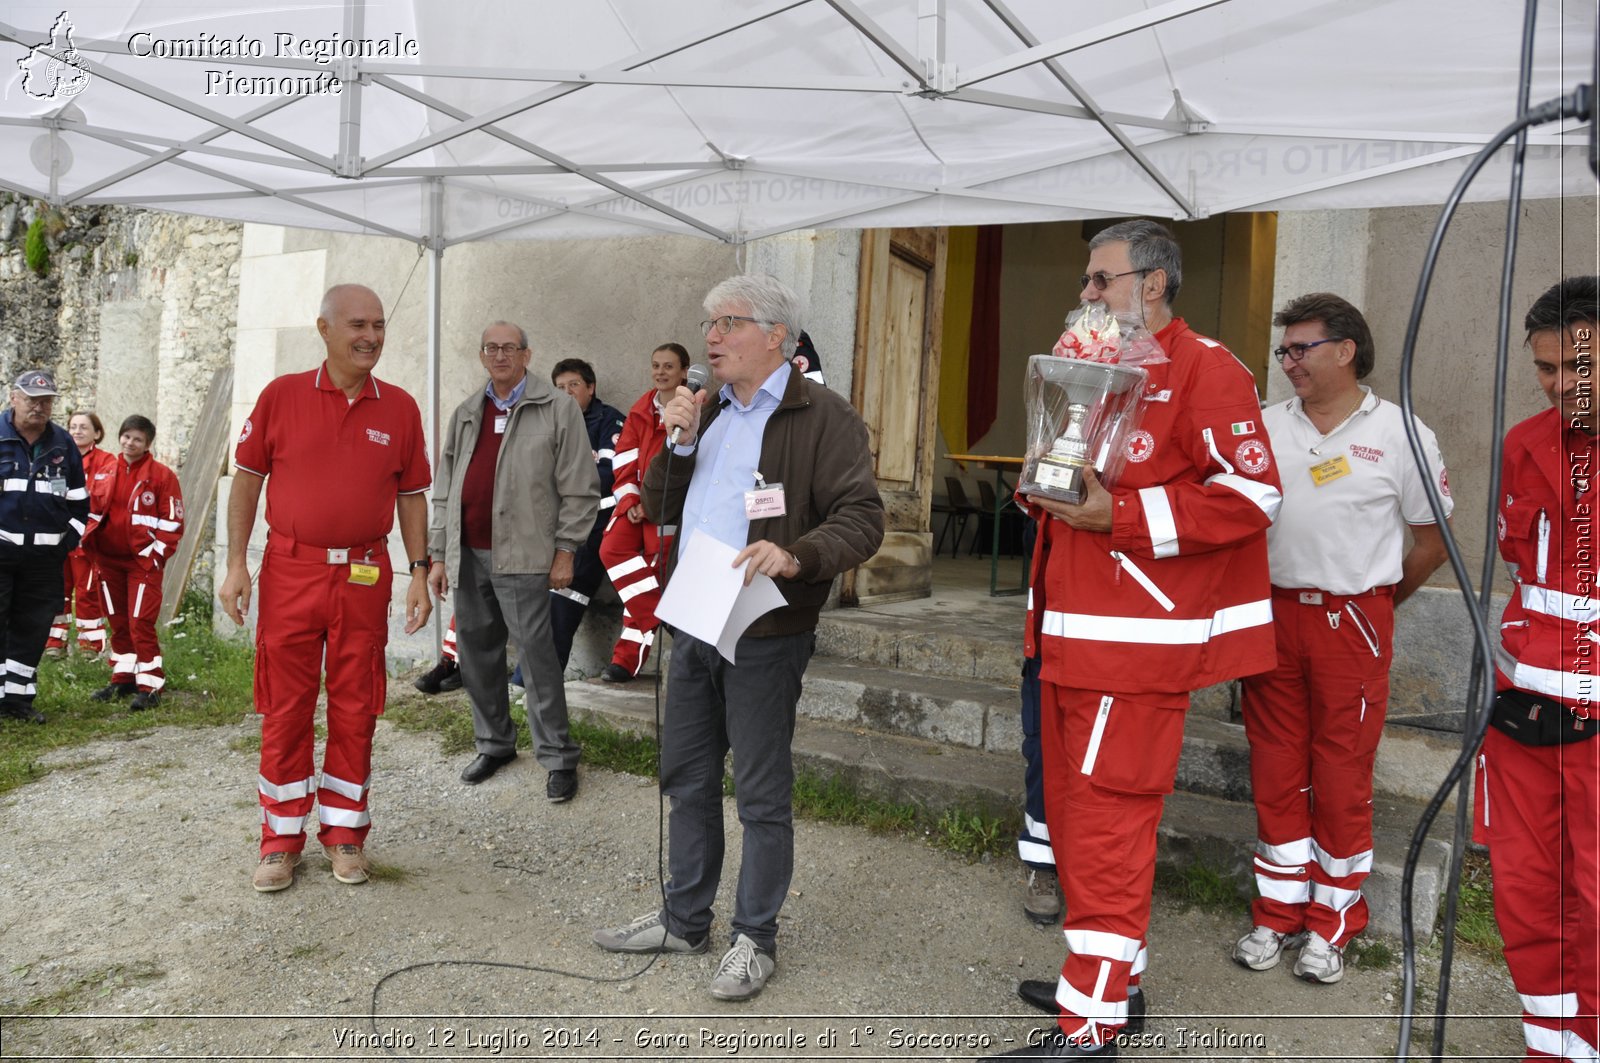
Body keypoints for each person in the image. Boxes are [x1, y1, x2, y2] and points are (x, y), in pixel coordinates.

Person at [992, 220, 1282, 1059]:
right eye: (1088, 280)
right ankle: (1117, 983)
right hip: (1067, 637)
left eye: (1100, 278)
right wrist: (1040, 482)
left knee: (1108, 827)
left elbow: (1254, 497)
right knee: (1078, 823)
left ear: (1152, 283)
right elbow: (1071, 487)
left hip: (1134, 648)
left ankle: (1089, 1029)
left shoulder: (1207, 369)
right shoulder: (1097, 367)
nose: (1086, 292)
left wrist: (1118, 512)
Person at [592, 274, 885, 1002]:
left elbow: (863, 518)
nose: (711, 337)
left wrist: (799, 554)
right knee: (685, 776)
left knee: (759, 791)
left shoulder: (825, 416)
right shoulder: (710, 407)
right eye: (709, 323)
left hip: (764, 625)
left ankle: (755, 937)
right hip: (692, 616)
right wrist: (679, 441)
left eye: (728, 323)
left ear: (776, 336)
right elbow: (657, 504)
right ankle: (686, 917)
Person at [1231, 293, 1451, 984]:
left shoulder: (1397, 430)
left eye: (1300, 349)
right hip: (1273, 614)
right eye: (1284, 352)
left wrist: (1376, 599)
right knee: (1274, 769)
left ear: (1346, 349)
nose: (1288, 362)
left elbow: (1432, 538)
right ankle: (1277, 913)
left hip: (1353, 619)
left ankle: (1332, 924)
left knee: (1341, 776)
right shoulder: (1266, 426)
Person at [218, 283, 432, 894]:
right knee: (284, 706)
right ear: (325, 329)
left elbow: (412, 493)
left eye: (379, 326)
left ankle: (344, 834)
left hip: (365, 574)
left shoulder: (399, 408)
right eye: (358, 325)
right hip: (291, 571)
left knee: (356, 703)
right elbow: (247, 481)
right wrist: (237, 564)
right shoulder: (282, 395)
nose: (371, 337)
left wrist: (417, 569)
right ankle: (280, 840)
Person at [1477, 275, 1600, 1061]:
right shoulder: (1525, 442)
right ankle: (1553, 1045)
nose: (1561, 386)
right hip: (1524, 708)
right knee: (1526, 887)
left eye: (1578, 369)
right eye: (1547, 370)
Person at [426, 323, 598, 798]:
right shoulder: (467, 412)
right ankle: (495, 743)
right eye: (491, 348)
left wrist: (565, 551)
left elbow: (582, 489)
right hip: (469, 554)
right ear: (482, 355)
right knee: (477, 657)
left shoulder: (557, 408)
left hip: (525, 555)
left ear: (527, 354)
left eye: (510, 348)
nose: (500, 355)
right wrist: (439, 554)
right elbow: (444, 490)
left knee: (538, 660)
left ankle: (559, 757)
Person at [596, 342, 689, 681]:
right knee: (612, 550)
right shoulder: (640, 409)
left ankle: (625, 660)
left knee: (653, 573)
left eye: (668, 366)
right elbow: (624, 460)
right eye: (656, 366)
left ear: (683, 371)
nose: (660, 373)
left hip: (669, 509)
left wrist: (652, 503)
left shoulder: (693, 408)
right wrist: (630, 500)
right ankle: (663, 618)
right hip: (636, 506)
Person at [0, 370, 88, 725]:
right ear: (14, 398)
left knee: (32, 626)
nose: (39, 406)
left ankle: (18, 701)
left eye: (46, 400)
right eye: (32, 398)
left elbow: (80, 503)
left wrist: (65, 543)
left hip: (43, 559)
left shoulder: (62, 444)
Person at [85, 415, 185, 711]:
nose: (130, 443)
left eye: (137, 439)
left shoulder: (162, 476)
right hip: (108, 562)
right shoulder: (105, 470)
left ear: (147, 444)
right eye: (126, 437)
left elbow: (173, 523)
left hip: (141, 565)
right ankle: (124, 677)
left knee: (140, 622)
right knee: (118, 622)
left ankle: (151, 685)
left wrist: (154, 557)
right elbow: (91, 512)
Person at [546, 357, 626, 670]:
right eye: (559, 388)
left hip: (593, 528)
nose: (566, 394)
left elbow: (607, 476)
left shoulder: (609, 421)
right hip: (550, 528)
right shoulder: (547, 423)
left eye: (573, 385)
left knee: (563, 601)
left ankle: (531, 683)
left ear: (590, 388)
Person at [46, 411, 114, 657]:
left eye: (83, 427)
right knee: (57, 588)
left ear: (96, 433)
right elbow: (54, 495)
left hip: (88, 537)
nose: (76, 431)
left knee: (87, 591)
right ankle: (55, 642)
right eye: (73, 426)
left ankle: (90, 645)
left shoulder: (107, 462)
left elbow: (101, 499)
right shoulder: (57, 459)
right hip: (59, 535)